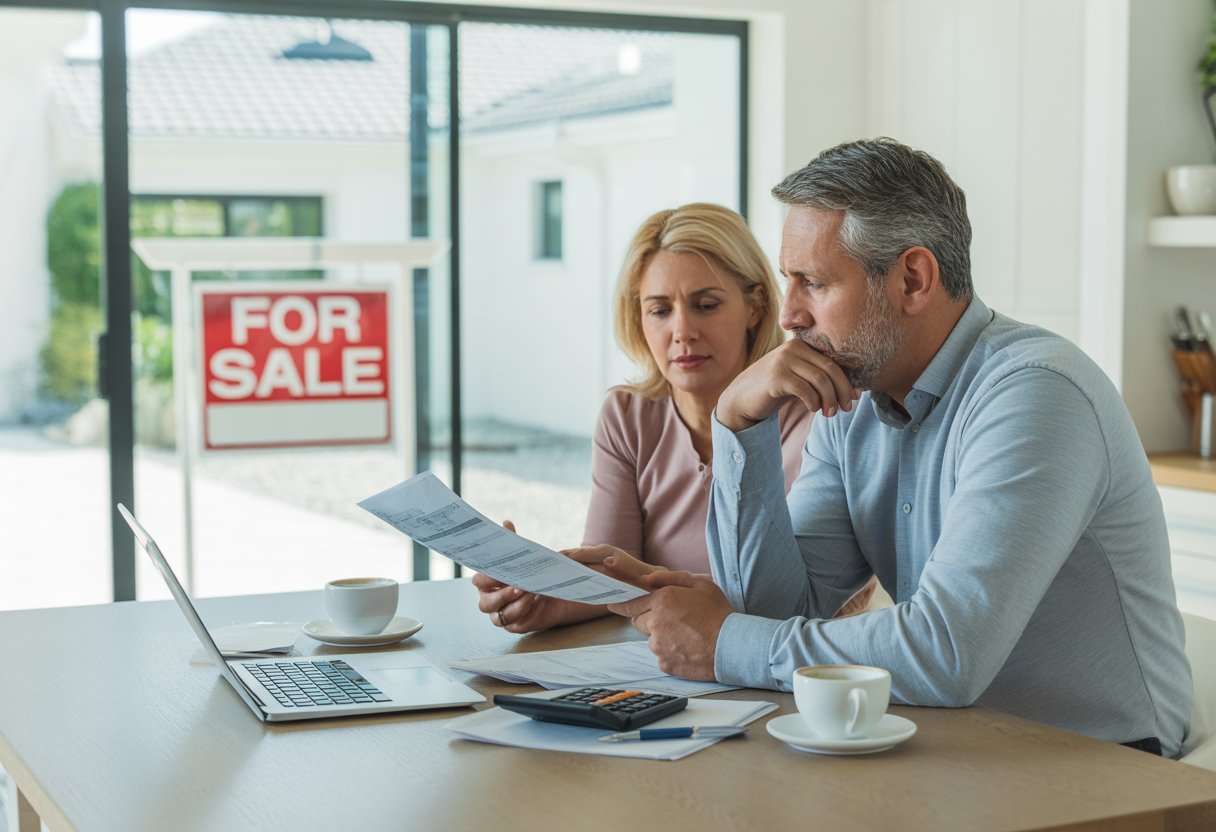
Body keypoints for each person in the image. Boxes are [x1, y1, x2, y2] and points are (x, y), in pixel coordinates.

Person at [604, 138, 1193, 758]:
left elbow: (945, 652)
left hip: (1104, 770)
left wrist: (725, 643)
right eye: (788, 282)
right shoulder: (851, 397)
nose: (790, 317)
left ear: (913, 278)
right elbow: (771, 606)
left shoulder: (1035, 395)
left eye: (814, 284)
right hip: (952, 751)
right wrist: (736, 421)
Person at [475, 202, 875, 633]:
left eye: (705, 305)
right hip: (663, 661)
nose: (682, 331)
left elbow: (800, 597)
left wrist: (642, 587)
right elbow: (608, 573)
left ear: (755, 307)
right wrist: (547, 597)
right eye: (660, 310)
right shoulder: (628, 416)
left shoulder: (821, 412)